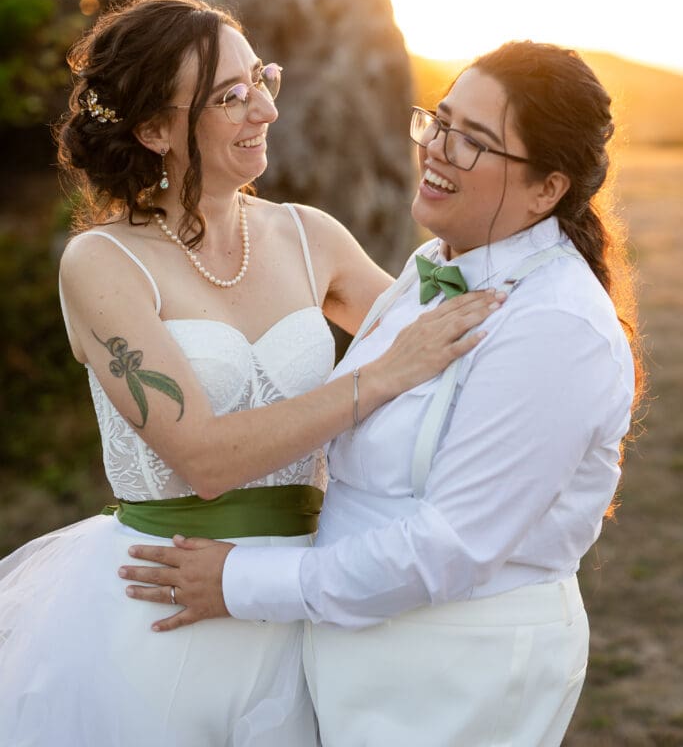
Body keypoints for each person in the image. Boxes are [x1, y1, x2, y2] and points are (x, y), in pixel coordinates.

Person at [0, 0, 500, 747]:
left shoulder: (311, 237)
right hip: (163, 608)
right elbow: (201, 457)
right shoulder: (103, 263)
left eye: (262, 80)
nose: (264, 110)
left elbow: (448, 352)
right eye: (230, 97)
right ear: (155, 129)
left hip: (310, 594)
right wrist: (378, 377)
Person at [121, 41, 641, 747]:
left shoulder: (554, 326)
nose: (437, 151)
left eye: (473, 144)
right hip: (358, 645)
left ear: (545, 189)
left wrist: (242, 581)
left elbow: (447, 547)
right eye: (439, 122)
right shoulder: (436, 264)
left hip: (457, 666)